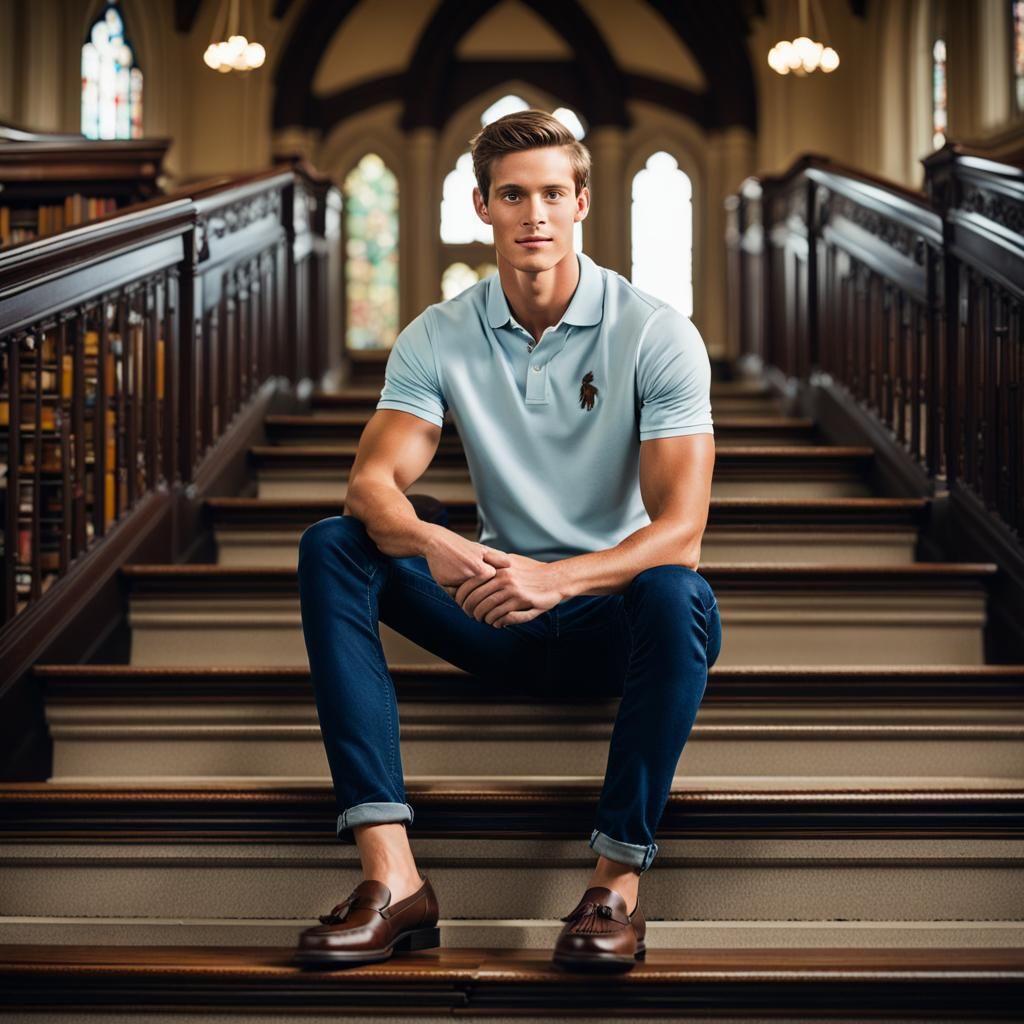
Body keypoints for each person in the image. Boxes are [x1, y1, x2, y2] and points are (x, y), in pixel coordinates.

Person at [294, 109, 721, 973]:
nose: (535, 214)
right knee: (334, 543)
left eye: (553, 194)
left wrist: (559, 581)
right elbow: (371, 486)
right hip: (493, 609)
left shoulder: (656, 332)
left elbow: (681, 532)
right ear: (482, 206)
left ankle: (614, 885)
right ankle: (392, 878)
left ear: (582, 202)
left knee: (679, 593)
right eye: (514, 195)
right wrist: (437, 546)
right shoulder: (438, 335)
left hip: (610, 620)